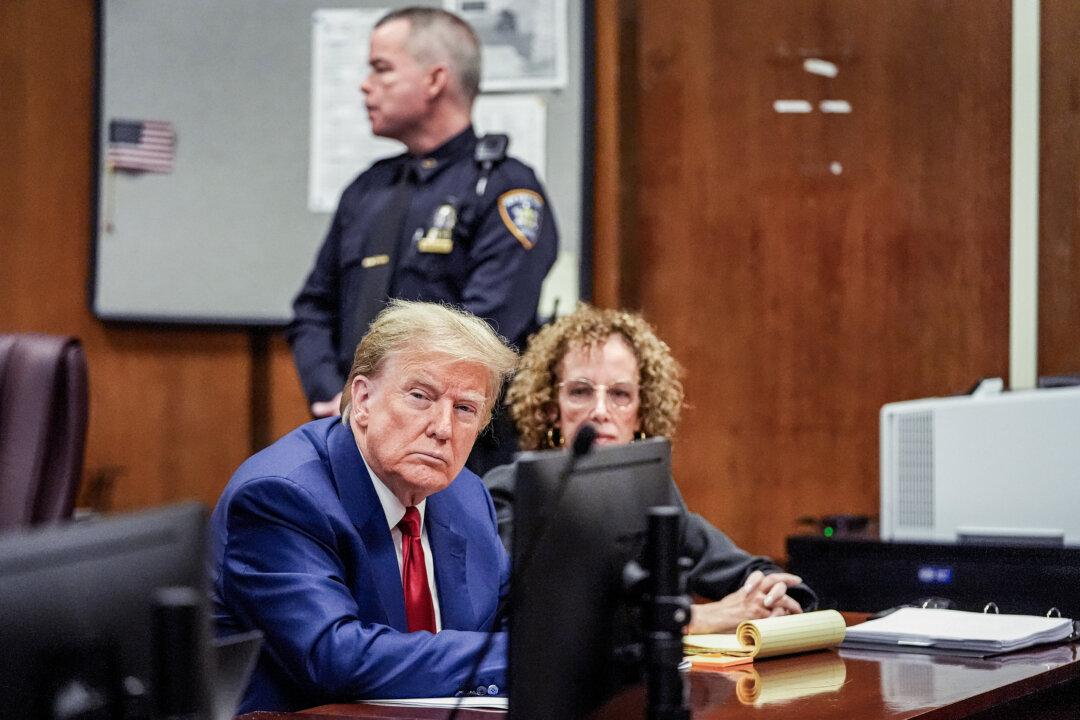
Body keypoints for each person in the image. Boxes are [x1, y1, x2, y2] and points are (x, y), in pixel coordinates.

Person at [211, 300, 518, 713]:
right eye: (420, 396)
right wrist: (514, 657)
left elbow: (514, 618)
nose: (443, 428)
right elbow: (334, 658)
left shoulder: (466, 495)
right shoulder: (281, 497)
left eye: (465, 409)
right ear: (363, 398)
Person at [288, 7, 557, 475]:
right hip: (352, 444)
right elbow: (313, 308)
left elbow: (482, 334)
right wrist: (337, 397)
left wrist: (397, 406)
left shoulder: (505, 191)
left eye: (381, 68)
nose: (365, 84)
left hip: (459, 462)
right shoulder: (367, 190)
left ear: (435, 80)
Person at [485, 304, 818, 633]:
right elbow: (546, 618)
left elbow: (743, 568)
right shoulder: (509, 492)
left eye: (620, 394)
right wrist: (695, 619)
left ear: (641, 413)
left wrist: (776, 596)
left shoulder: (651, 490)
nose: (600, 411)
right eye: (580, 392)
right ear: (551, 409)